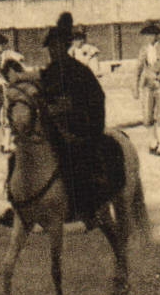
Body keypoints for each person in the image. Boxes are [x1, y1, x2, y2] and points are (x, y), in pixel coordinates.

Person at [36, 12, 109, 222]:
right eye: (50, 47)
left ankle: (86, 208)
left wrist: (75, 111)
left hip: (78, 130)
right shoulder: (48, 73)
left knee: (76, 161)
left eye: (55, 46)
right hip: (52, 130)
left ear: (64, 47)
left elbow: (97, 100)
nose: (52, 51)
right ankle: (23, 204)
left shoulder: (80, 72)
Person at [133, 23, 160, 154]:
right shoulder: (143, 50)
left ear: (156, 36)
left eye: (150, 35)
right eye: (146, 35)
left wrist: (159, 77)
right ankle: (153, 140)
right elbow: (138, 68)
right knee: (147, 117)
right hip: (147, 85)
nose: (148, 38)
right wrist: (135, 87)